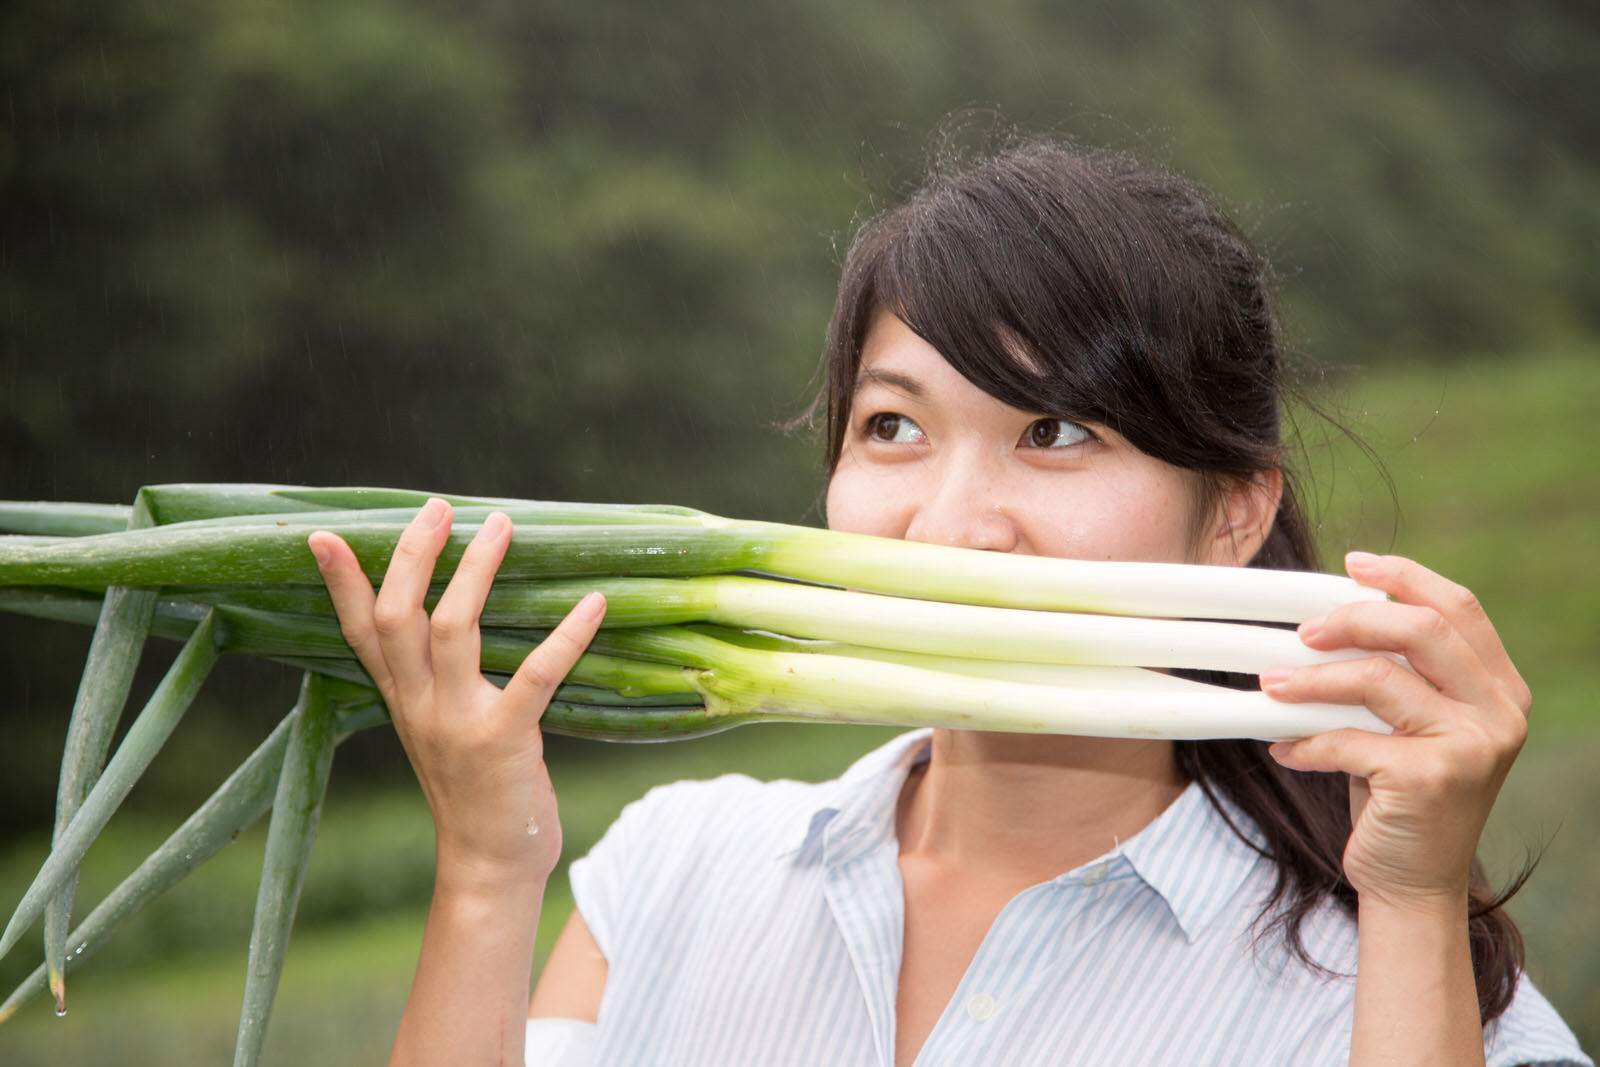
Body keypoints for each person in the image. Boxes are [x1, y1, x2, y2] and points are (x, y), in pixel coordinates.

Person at [307, 137, 1590, 1065]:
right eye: (893, 425)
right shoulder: (673, 871)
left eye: (1053, 430)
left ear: (1236, 513)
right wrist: (486, 865)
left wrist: (1415, 905)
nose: (952, 524)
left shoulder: (1392, 987)